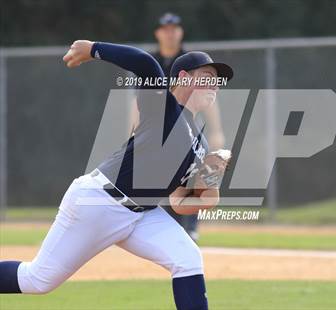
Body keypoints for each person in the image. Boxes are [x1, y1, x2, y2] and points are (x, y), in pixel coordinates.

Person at [0, 39, 233, 310]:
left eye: (217, 80)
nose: (215, 84)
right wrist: (93, 49)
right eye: (207, 77)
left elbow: (181, 202)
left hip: (142, 214)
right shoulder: (164, 108)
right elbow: (146, 65)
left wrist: (211, 174)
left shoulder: (200, 143)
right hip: (99, 203)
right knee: (37, 280)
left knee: (188, 257)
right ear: (183, 77)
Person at [150, 13, 226, 240]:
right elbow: (139, 102)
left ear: (180, 32)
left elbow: (208, 96)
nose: (171, 33)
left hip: (189, 128)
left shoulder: (190, 59)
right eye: (166, 28)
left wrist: (216, 131)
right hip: (160, 129)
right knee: (165, 180)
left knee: (193, 176)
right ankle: (170, 226)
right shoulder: (152, 62)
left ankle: (190, 227)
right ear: (159, 33)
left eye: (175, 28)